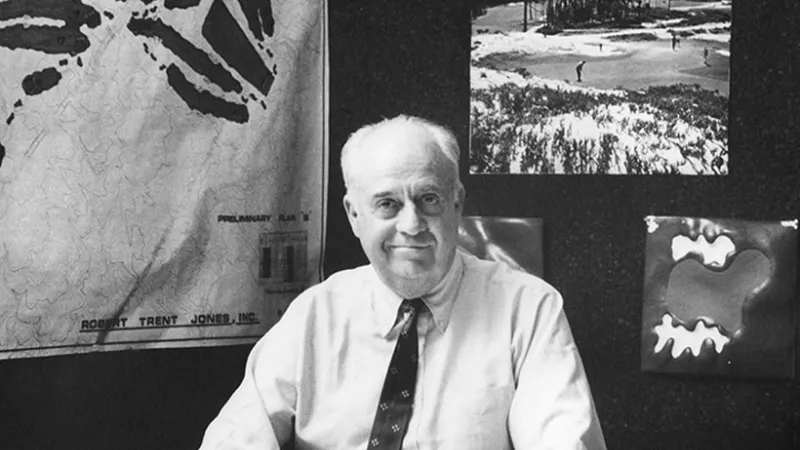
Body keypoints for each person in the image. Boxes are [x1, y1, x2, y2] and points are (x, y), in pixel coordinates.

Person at [198, 115, 607, 449]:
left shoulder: (528, 309)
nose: (411, 225)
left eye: (429, 199)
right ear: (354, 215)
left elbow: (562, 439)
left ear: (456, 203)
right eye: (387, 204)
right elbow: (236, 437)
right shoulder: (315, 314)